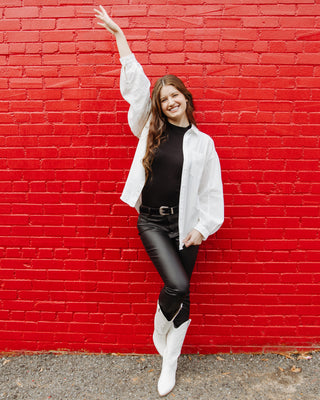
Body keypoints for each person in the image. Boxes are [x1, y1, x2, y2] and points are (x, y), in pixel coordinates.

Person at [94, 5, 224, 397]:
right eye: (164, 98)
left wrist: (203, 227)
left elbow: (211, 191)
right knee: (177, 283)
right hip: (152, 221)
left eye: (175, 96)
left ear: (186, 97)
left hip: (186, 225)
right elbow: (136, 86)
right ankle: (159, 327)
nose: (170, 102)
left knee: (182, 292)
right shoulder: (150, 127)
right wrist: (120, 38)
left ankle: (170, 361)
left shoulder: (204, 144)